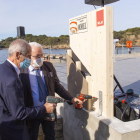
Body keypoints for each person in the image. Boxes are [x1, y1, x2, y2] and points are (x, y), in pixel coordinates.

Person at [20, 42, 83, 140]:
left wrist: (71, 99)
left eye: (42, 55)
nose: (40, 58)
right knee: (31, 136)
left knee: (50, 135)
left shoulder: (48, 67)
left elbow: (57, 86)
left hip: (49, 110)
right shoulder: (21, 71)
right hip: (32, 111)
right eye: (37, 56)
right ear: (28, 56)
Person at [0, 39, 56, 140]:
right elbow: (19, 113)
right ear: (17, 55)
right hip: (13, 130)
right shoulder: (12, 79)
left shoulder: (2, 69)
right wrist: (44, 109)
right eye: (28, 56)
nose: (30, 60)